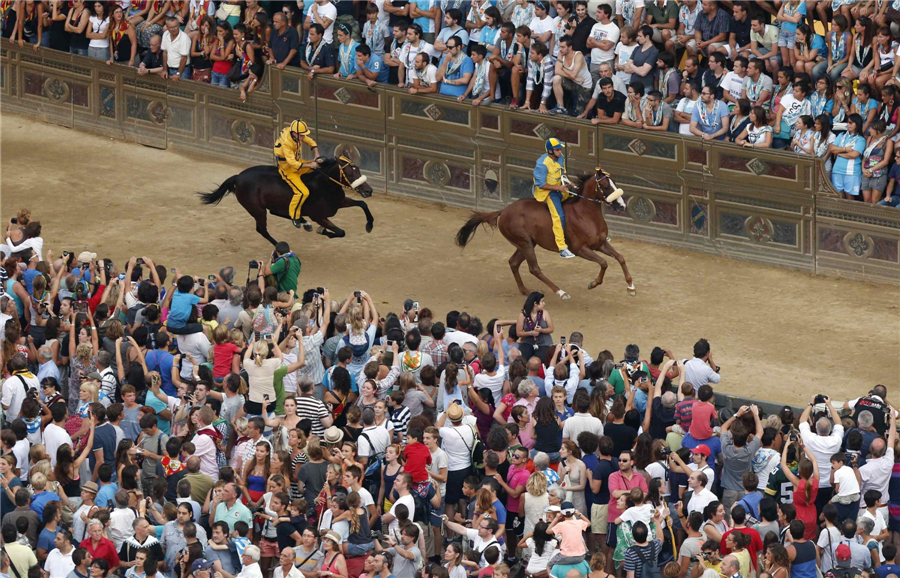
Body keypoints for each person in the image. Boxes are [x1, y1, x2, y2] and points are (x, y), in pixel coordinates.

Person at [274, 119, 322, 229]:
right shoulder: (287, 143)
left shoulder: (295, 134)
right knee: (302, 192)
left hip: (298, 163)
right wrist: (309, 165)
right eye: (302, 135)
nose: (303, 137)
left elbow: (310, 141)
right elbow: (292, 163)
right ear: (295, 133)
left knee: (318, 168)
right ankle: (295, 216)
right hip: (288, 170)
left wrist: (316, 153)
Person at [533, 138, 575, 259]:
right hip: (548, 193)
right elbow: (541, 184)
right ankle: (562, 248)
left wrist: (570, 182)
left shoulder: (560, 157)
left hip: (561, 188)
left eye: (560, 149)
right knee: (559, 216)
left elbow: (563, 172)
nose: (560, 151)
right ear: (550, 151)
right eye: (557, 149)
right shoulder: (542, 164)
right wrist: (558, 188)